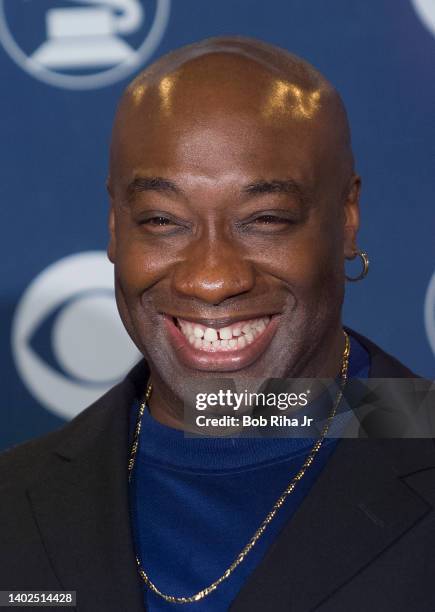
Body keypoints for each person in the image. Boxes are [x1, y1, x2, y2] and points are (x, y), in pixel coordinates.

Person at [1, 37, 434, 612]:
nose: (211, 278)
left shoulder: (416, 434)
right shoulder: (14, 501)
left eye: (266, 219)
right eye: (161, 220)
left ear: (347, 218)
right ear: (114, 226)